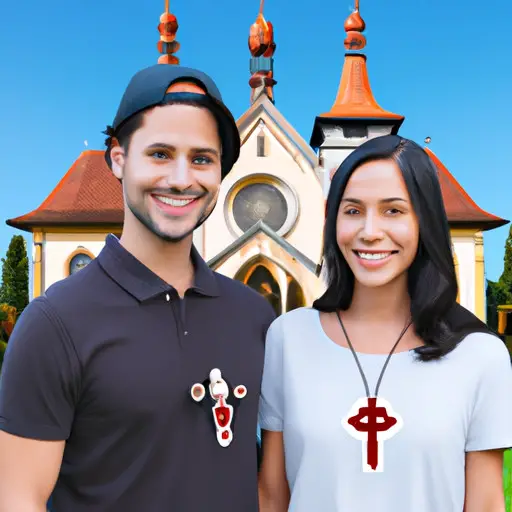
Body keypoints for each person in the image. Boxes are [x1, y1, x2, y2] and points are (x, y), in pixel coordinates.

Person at [0, 64, 275, 511]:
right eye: (160, 154)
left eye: (202, 159)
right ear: (118, 158)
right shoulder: (55, 325)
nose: (182, 179)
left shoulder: (253, 316)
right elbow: (18, 499)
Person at [257, 135, 512, 511]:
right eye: (353, 210)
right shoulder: (289, 338)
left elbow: (486, 502)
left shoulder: (479, 355)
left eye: (393, 211)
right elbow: (272, 493)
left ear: (424, 221)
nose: (370, 231)